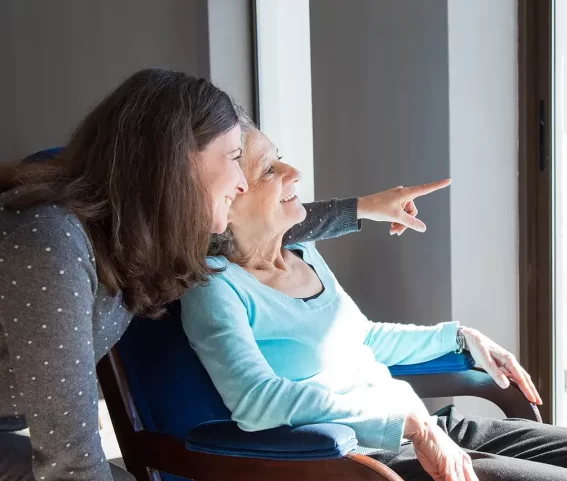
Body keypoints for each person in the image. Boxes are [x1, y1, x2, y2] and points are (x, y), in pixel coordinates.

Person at [0, 68, 446, 481]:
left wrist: (361, 209)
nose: (240, 184)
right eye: (234, 157)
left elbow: (253, 225)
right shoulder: (51, 242)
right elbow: (70, 458)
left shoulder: (137, 236)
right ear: (176, 162)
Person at [181, 126, 567, 481]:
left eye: (280, 159)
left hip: (423, 427)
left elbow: (362, 339)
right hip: (364, 460)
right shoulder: (216, 288)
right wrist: (410, 424)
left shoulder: (303, 254)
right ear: (229, 197)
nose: (293, 173)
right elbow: (257, 402)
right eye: (269, 170)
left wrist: (458, 336)